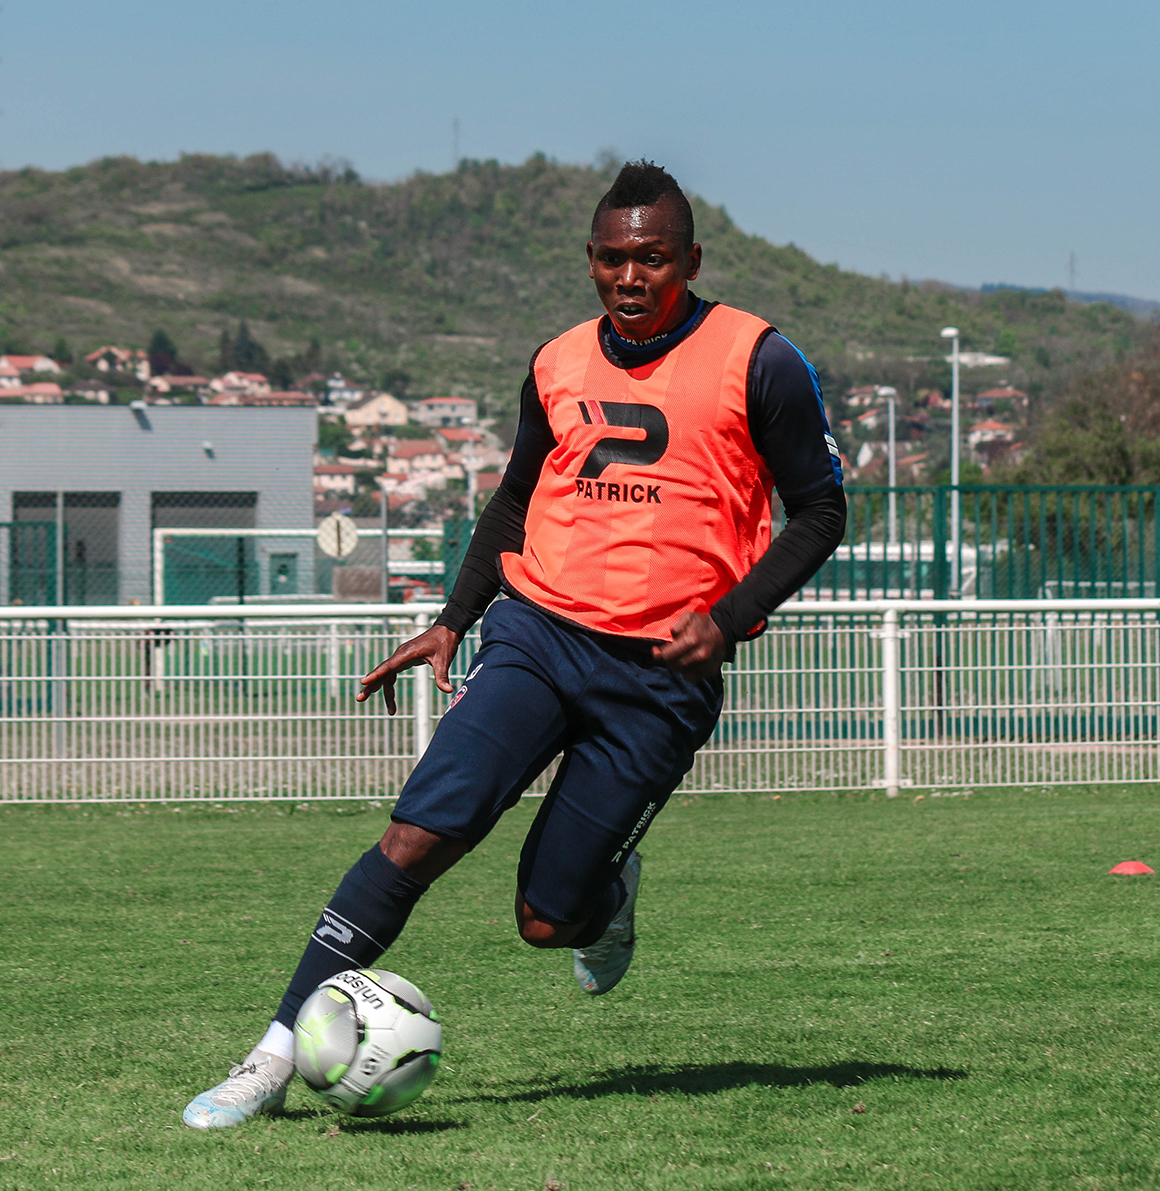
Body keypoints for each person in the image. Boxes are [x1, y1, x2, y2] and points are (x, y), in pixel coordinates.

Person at [183, 160, 847, 1127]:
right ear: (589, 261)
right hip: (536, 634)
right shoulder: (556, 361)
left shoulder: (761, 359)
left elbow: (821, 511)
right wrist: (455, 618)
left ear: (690, 259)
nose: (631, 278)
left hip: (660, 675)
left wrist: (731, 615)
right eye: (614, 260)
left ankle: (605, 898)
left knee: (546, 920)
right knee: (416, 837)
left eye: (652, 259)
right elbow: (514, 500)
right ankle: (271, 1058)